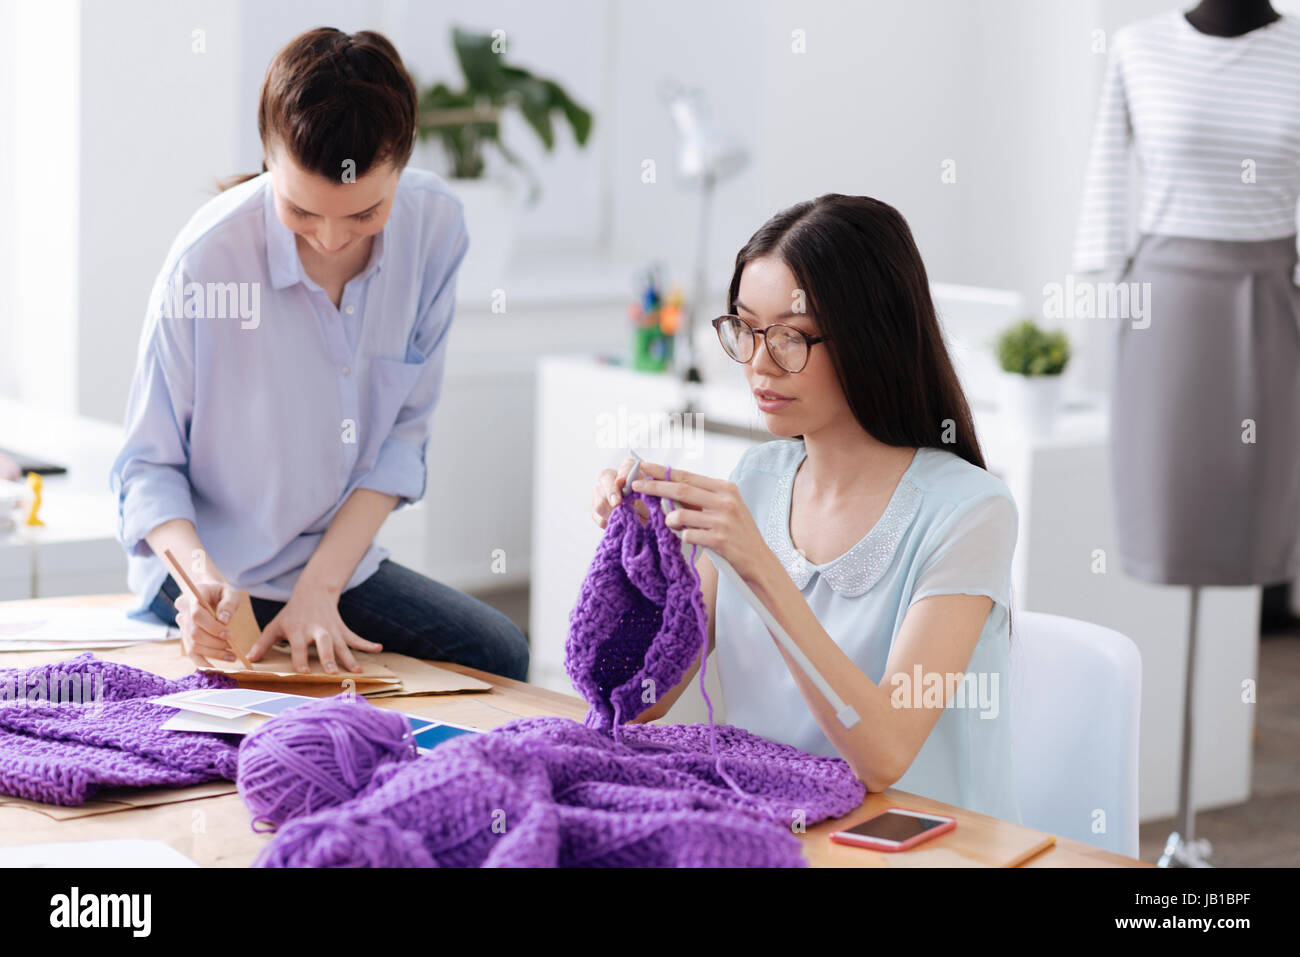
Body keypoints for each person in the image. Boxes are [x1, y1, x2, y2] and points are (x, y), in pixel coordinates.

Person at [109, 28, 528, 681]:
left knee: (499, 652)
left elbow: (401, 440)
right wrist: (200, 584)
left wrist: (321, 589)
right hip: (215, 569)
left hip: (332, 561)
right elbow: (145, 468)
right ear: (269, 160)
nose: (332, 240)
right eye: (301, 211)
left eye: (365, 214)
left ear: (403, 164)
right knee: (265, 698)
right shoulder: (206, 262)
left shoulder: (436, 230)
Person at [591, 195, 1022, 822]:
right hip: (771, 826)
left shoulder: (971, 512)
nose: (760, 364)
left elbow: (884, 754)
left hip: (917, 849)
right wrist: (640, 559)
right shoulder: (757, 479)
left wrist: (758, 565)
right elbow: (644, 700)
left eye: (791, 337)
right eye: (745, 329)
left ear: (872, 337)